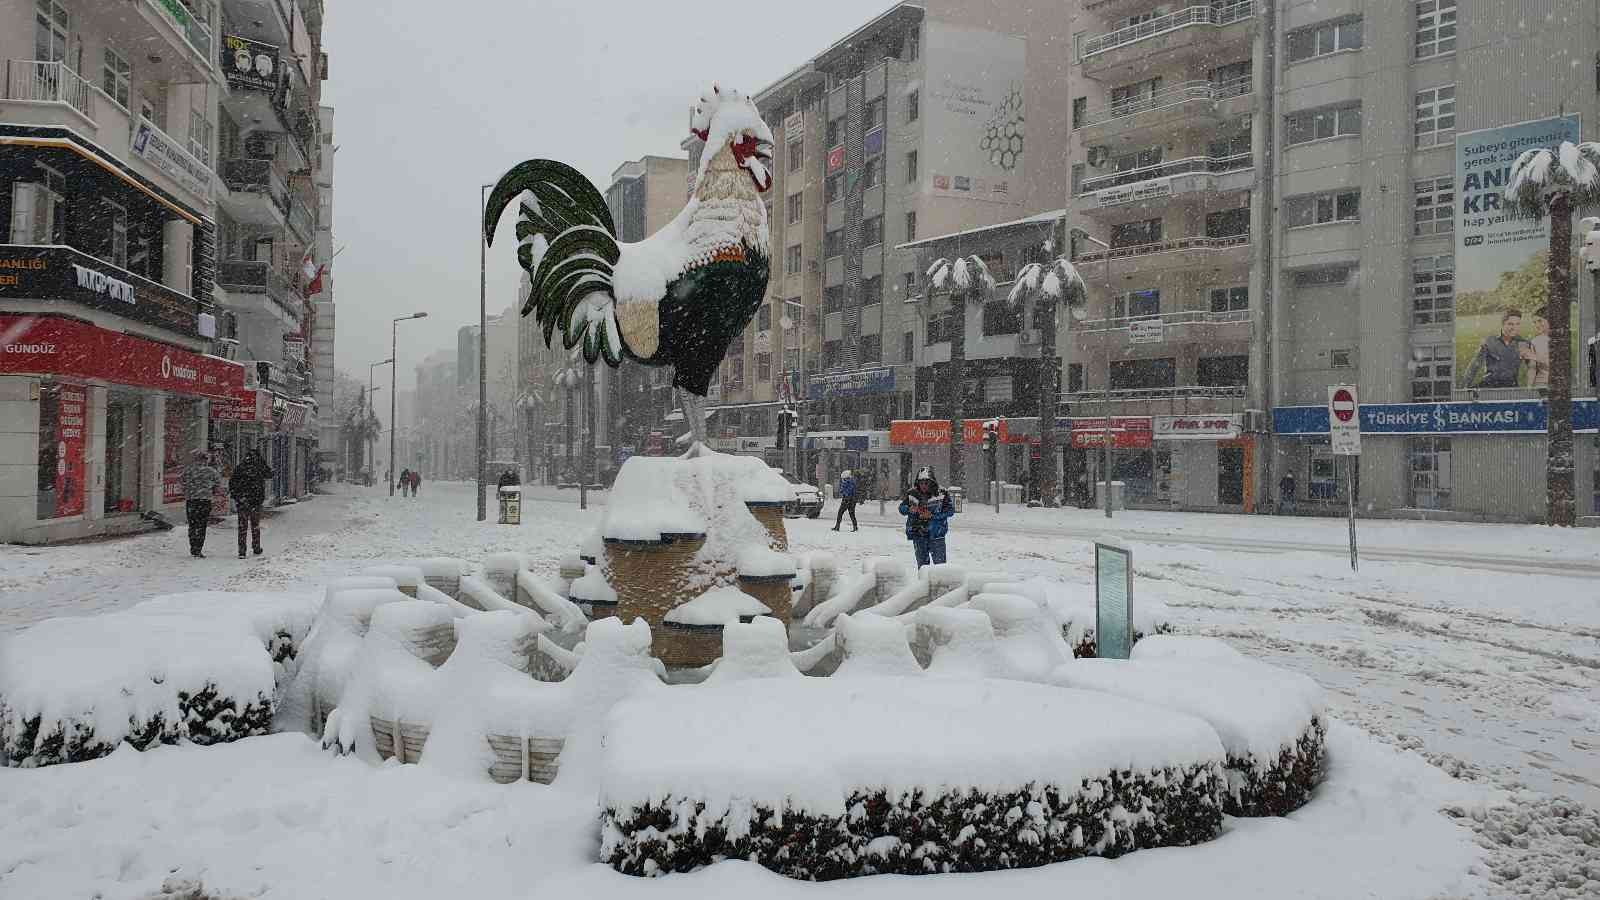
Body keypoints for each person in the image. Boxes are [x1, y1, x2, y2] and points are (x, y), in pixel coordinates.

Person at [899, 466, 955, 568]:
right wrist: (909, 509)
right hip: (919, 535)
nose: (923, 485)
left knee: (940, 568)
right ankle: (924, 584)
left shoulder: (941, 493)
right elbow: (901, 508)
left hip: (937, 535)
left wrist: (933, 516)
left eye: (926, 483)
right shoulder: (912, 493)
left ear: (932, 482)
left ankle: (940, 584)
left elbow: (950, 511)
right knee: (923, 568)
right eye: (921, 483)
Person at [1464, 308, 1531, 389]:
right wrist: (1465, 387)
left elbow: (1532, 367)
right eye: (1510, 324)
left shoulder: (1523, 343)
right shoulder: (1490, 341)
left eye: (1517, 324)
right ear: (1503, 324)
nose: (1514, 328)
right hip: (1489, 385)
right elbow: (1474, 365)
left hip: (1510, 387)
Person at [229, 448, 273, 558]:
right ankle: (256, 547)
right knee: (255, 525)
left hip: (242, 501)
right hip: (255, 501)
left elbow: (232, 483)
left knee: (242, 526)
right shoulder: (259, 467)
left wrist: (237, 497)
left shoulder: (240, 467)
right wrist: (262, 461)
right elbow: (270, 474)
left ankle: (242, 551)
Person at [181, 449, 222, 558]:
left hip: (191, 500)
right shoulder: (211, 471)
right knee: (202, 525)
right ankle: (198, 548)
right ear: (206, 460)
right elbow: (218, 484)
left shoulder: (188, 470)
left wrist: (188, 492)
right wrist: (211, 490)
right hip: (205, 500)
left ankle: (193, 546)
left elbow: (182, 483)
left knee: (192, 524)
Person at [1526, 308, 1550, 389]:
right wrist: (1529, 386)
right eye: (1534, 322)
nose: (1537, 325)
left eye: (1540, 321)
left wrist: (1536, 357)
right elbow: (1532, 368)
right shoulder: (1535, 341)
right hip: (1540, 384)